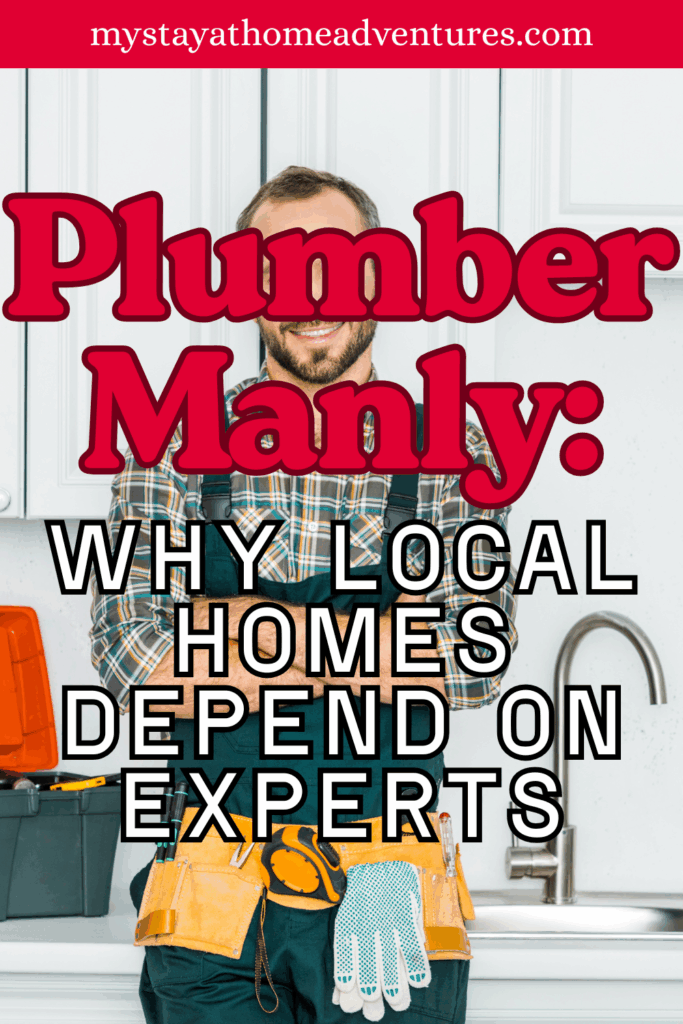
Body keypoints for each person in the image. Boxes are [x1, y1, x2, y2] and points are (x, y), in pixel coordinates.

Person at [91, 165, 518, 1024]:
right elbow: (129, 656)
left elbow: (471, 666)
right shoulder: (172, 436)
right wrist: (372, 642)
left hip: (387, 878)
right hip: (212, 897)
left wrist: (230, 634)